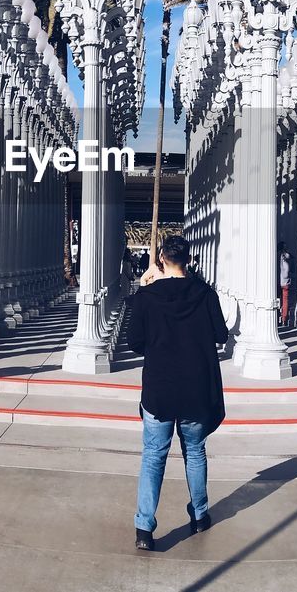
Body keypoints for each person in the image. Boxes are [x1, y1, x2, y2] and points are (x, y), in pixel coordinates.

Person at [126, 235, 228, 552]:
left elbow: (135, 342)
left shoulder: (147, 297)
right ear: (189, 259)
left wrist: (143, 286)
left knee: (153, 457)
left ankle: (144, 527)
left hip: (159, 388)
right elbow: (221, 335)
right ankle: (199, 514)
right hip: (196, 389)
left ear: (160, 259)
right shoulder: (205, 294)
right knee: (195, 453)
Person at [278, 241, 292, 327]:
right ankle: (284, 319)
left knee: (277, 299)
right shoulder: (286, 256)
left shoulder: (275, 255)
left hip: (276, 281)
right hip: (285, 281)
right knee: (285, 300)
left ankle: (277, 317)